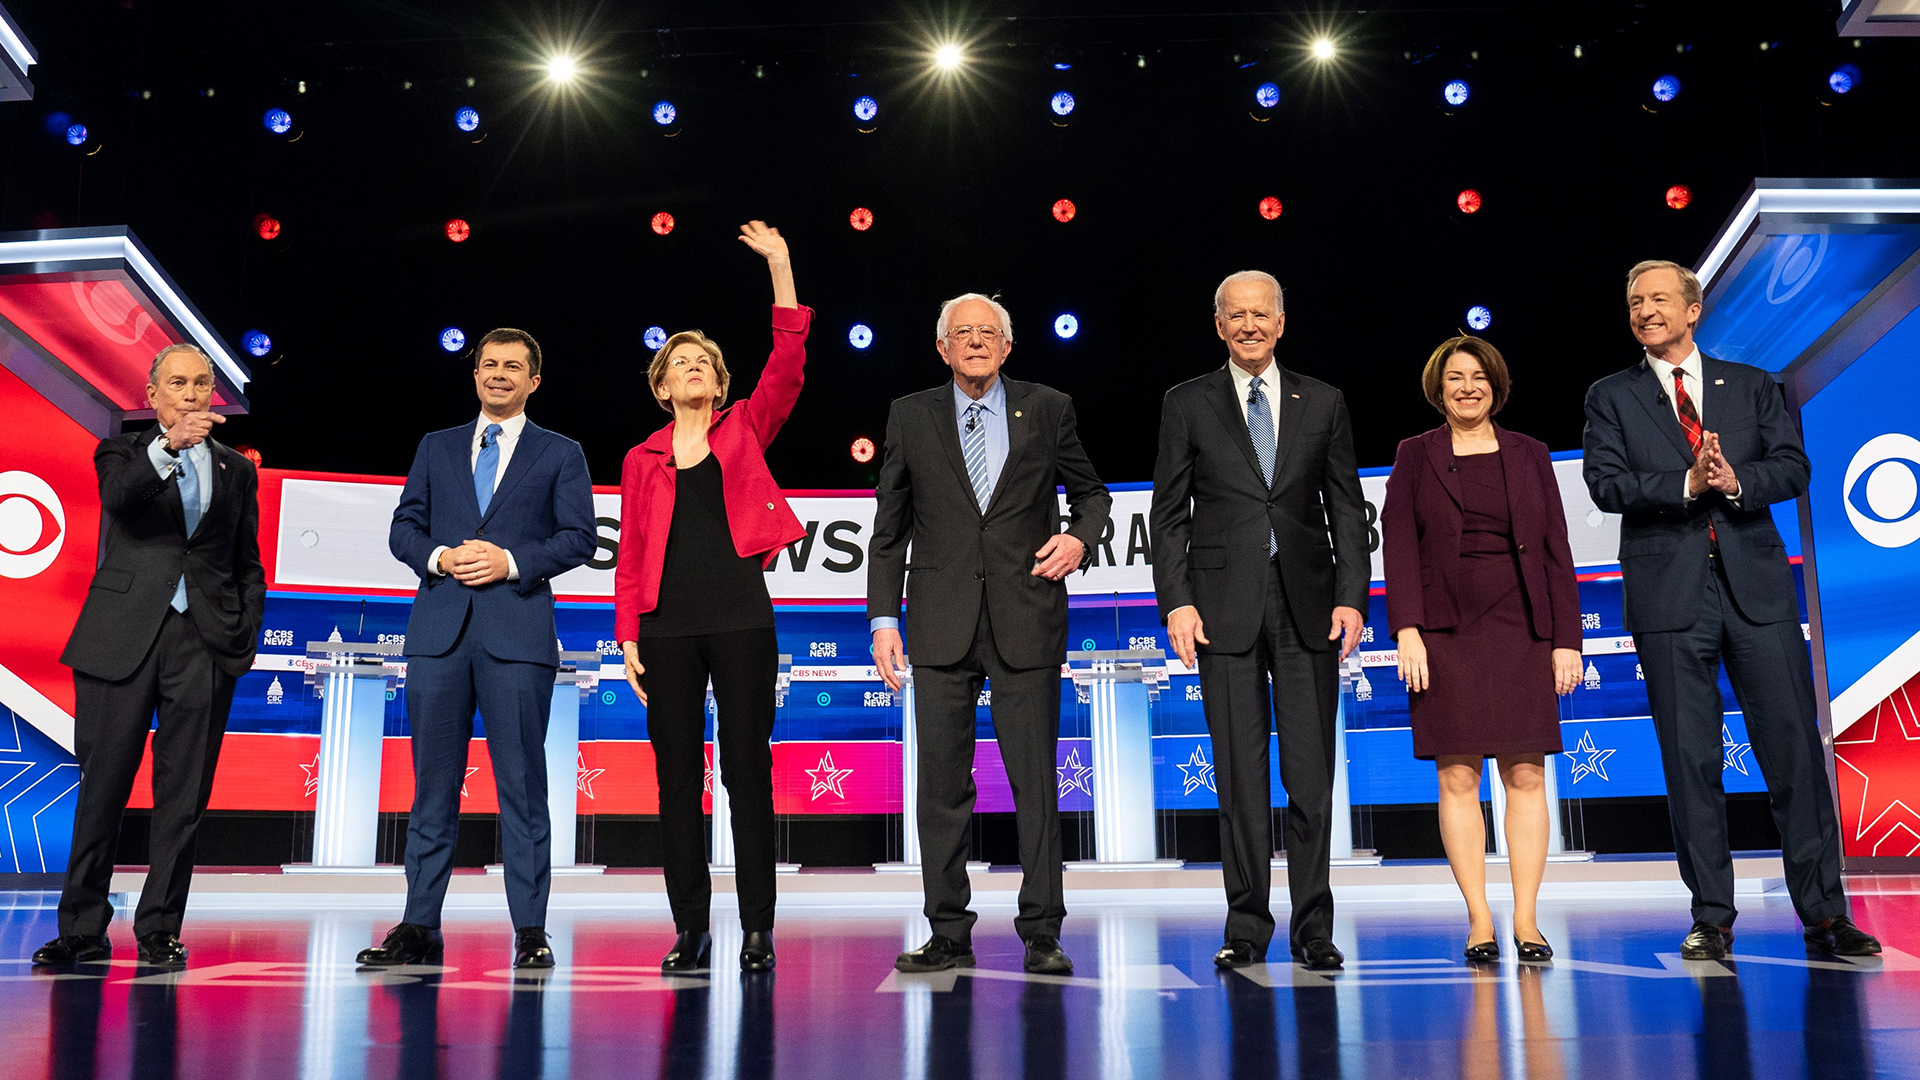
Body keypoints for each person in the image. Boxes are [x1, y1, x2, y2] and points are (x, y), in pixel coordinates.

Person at [1583, 259, 1880, 960]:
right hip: (1668, 598)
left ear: (1693, 310)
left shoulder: (1749, 385)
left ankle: (1825, 915)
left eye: (1659, 298)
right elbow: (1605, 483)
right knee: (1692, 764)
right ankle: (1711, 916)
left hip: (1758, 593)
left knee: (1794, 757)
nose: (1645, 310)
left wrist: (1736, 478)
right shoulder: (1611, 396)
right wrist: (1685, 483)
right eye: (1634, 302)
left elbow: (1793, 466)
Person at [869, 292, 1111, 976]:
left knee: (1035, 784)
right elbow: (888, 532)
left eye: (988, 332)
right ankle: (947, 930)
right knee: (941, 788)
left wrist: (1077, 540)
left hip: (1027, 616)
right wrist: (884, 619)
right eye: (962, 333)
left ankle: (1042, 931)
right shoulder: (910, 415)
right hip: (940, 623)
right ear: (942, 349)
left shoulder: (1049, 406)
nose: (975, 341)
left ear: (1007, 348)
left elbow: (1091, 495)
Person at [1149, 270, 1369, 972]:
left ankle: (1314, 928)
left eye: (1260, 314)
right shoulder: (1186, 403)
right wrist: (1177, 602)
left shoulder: (1324, 400)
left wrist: (1353, 596)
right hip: (1220, 612)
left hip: (1308, 607)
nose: (1248, 325)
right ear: (1219, 326)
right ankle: (1246, 925)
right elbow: (1169, 514)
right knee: (1239, 781)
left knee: (1309, 780)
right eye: (1234, 315)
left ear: (1281, 323)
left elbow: (1346, 509)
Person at [361, 326, 597, 969]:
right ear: (475, 375)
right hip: (439, 638)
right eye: (489, 364)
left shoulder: (560, 452)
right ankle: (418, 925)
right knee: (431, 788)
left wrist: (511, 561)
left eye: (513, 366)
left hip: (517, 637)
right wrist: (439, 556)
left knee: (522, 789)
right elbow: (404, 527)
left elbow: (579, 538)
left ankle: (530, 931)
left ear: (534, 380)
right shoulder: (435, 447)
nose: (499, 374)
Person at [613, 221, 810, 974]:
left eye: (705, 362)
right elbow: (630, 551)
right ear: (663, 386)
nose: (694, 368)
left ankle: (757, 930)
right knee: (673, 778)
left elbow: (788, 361)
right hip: (663, 629)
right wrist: (627, 631)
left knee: (744, 771)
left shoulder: (745, 430)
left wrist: (780, 264)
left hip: (739, 619)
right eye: (680, 362)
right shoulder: (640, 458)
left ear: (720, 384)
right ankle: (689, 929)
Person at [32, 344, 265, 968]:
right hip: (121, 640)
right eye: (177, 384)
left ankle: (160, 927)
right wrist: (170, 448)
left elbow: (248, 564)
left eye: (201, 384)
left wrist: (240, 639)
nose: (190, 395)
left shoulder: (238, 470)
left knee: (183, 797)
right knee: (102, 788)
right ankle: (82, 928)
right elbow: (120, 501)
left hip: (205, 645)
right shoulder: (124, 451)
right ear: (153, 394)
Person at [1380, 335, 1583, 963]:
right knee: (1458, 775)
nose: (1467, 387)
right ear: (1437, 390)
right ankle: (1478, 921)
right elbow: (1399, 546)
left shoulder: (1531, 454)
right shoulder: (1415, 455)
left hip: (1522, 627)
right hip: (1444, 631)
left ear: (1496, 385)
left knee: (1526, 773)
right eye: (1454, 378)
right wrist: (1407, 628)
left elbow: (1556, 550)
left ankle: (1526, 920)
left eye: (1478, 377)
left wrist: (1565, 640)